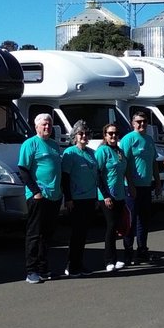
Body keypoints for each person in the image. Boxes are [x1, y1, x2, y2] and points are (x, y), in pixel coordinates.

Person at [18, 113, 63, 284]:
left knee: (47, 235)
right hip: (38, 196)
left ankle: (44, 268)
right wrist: (35, 191)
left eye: (49, 125)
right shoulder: (30, 144)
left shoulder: (53, 145)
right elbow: (23, 169)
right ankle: (31, 271)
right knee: (34, 234)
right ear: (36, 126)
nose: (47, 127)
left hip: (54, 196)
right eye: (44, 124)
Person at [60, 121, 100, 277]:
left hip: (90, 198)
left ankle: (80, 263)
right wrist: (68, 198)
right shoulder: (70, 153)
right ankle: (71, 265)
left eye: (86, 134)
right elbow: (65, 177)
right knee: (76, 234)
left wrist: (96, 197)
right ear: (74, 136)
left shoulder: (92, 153)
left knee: (84, 234)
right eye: (80, 133)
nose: (84, 136)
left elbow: (96, 177)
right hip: (76, 199)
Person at [119, 111, 156, 263]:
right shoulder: (128, 139)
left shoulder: (149, 139)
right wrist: (131, 184)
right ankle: (128, 252)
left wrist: (158, 182)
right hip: (131, 187)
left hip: (146, 185)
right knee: (131, 221)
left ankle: (142, 250)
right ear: (132, 123)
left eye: (144, 121)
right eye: (139, 122)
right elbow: (124, 164)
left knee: (144, 220)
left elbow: (153, 162)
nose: (142, 124)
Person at [94, 122, 131, 272]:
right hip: (107, 195)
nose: (113, 136)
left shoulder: (119, 151)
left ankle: (115, 259)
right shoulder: (102, 151)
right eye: (110, 133)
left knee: (117, 226)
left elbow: (123, 172)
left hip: (120, 194)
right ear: (105, 135)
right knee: (110, 226)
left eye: (115, 133)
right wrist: (105, 195)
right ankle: (108, 260)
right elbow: (97, 175)